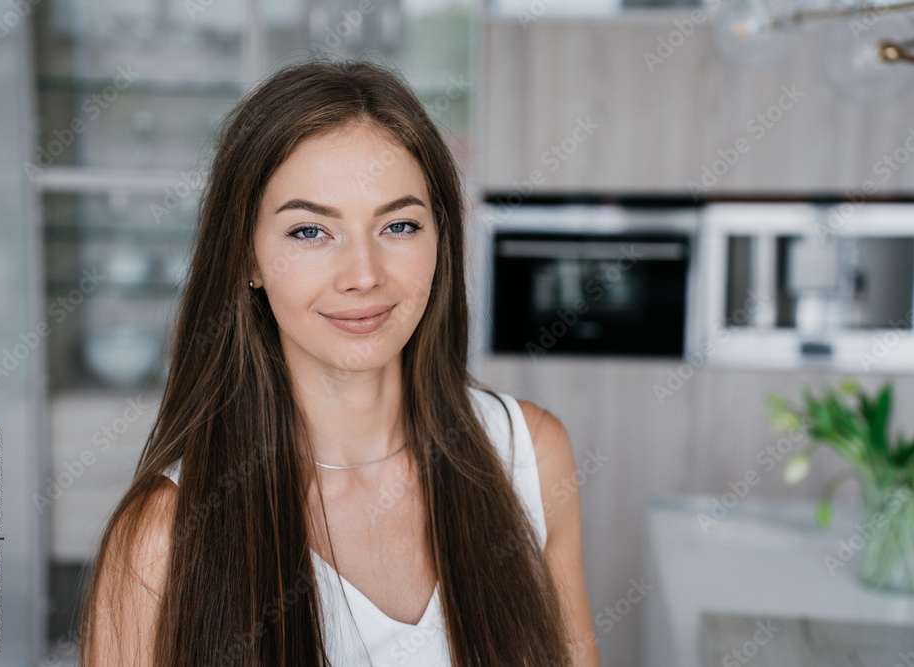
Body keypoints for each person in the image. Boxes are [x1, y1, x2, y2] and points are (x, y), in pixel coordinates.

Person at [78, 57, 600, 666]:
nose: (363, 275)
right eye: (310, 232)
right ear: (247, 259)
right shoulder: (161, 541)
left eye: (399, 225)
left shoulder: (528, 457)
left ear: (442, 244)